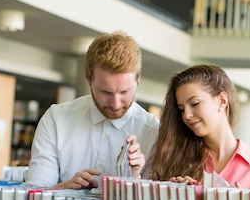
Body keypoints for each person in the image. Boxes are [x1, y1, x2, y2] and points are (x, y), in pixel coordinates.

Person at [25, 30, 160, 189]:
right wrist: (64, 189)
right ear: (88, 79)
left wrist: (135, 178)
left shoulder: (154, 132)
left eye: (124, 92)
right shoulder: (56, 119)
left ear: (138, 80)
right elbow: (34, 191)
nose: (116, 104)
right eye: (106, 92)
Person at [149, 64, 250, 190]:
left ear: (222, 101)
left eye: (194, 104)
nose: (186, 115)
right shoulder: (177, 160)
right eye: (181, 109)